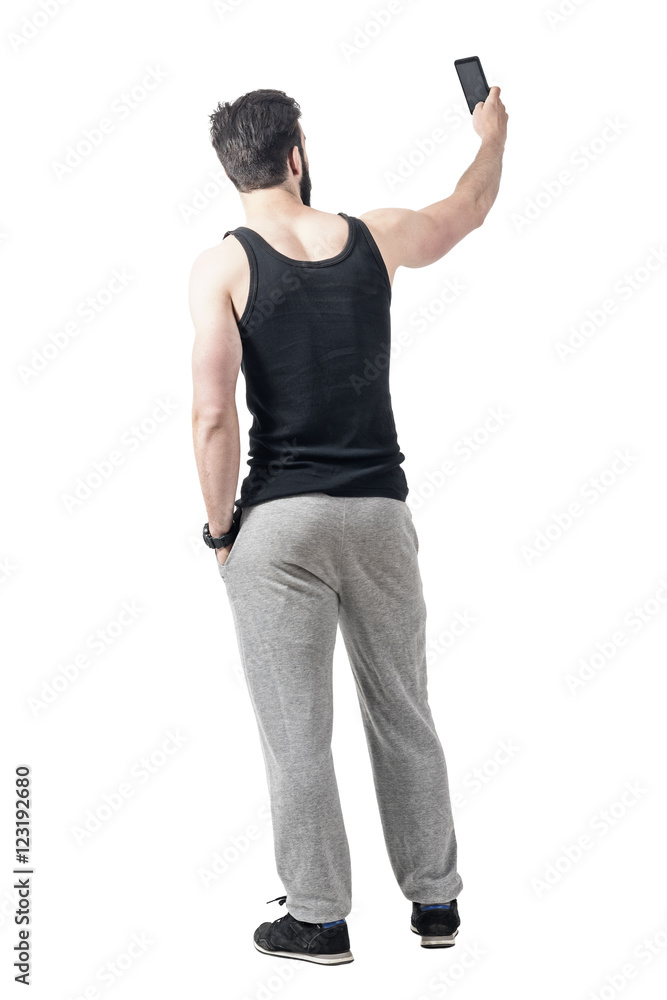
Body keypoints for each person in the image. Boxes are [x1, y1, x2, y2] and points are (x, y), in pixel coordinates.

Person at [190, 86, 508, 966]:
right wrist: (491, 136)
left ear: (234, 169)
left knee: (296, 730)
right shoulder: (375, 235)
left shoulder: (221, 265)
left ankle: (320, 918)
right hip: (378, 511)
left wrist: (222, 533)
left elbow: (211, 416)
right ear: (295, 155)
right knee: (403, 708)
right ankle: (435, 905)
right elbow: (468, 207)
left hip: (280, 524)